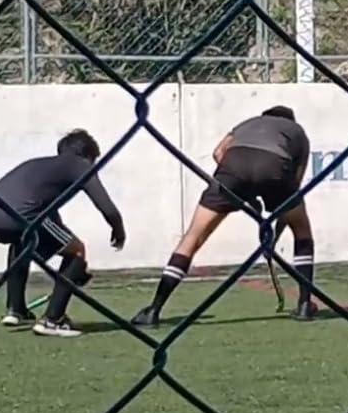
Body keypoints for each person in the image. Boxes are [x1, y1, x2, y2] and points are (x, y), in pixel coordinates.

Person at [132, 105, 316, 328]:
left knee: (193, 237)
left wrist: (241, 193)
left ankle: (154, 309)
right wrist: (274, 233)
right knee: (302, 232)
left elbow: (218, 152)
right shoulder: (297, 132)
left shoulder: (246, 123)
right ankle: (305, 303)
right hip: (275, 167)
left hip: (232, 167)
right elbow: (294, 186)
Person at [0, 129, 126, 339]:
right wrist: (118, 229)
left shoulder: (42, 167)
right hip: (24, 215)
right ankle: (53, 320)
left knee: (24, 244)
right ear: (87, 156)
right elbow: (107, 207)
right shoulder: (80, 166)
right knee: (77, 250)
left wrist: (73, 273)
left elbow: (52, 221)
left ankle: (16, 309)